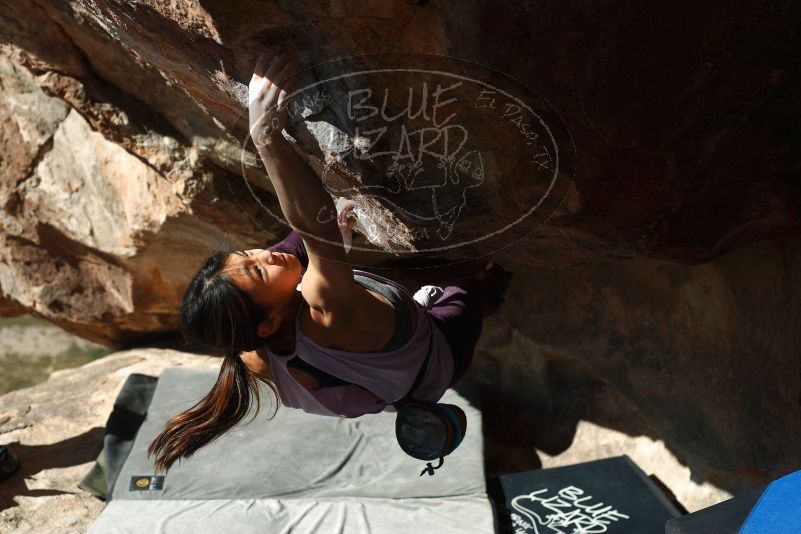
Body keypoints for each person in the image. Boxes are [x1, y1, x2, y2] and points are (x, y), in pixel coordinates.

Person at [148, 46, 511, 473]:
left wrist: (320, 238)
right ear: (268, 322)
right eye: (256, 267)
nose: (264, 253)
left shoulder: (250, 348)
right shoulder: (324, 311)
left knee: (331, 255)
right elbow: (316, 231)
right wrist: (265, 134)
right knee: (469, 291)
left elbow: (306, 235)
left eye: (247, 254)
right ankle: (494, 283)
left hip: (378, 361)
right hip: (437, 357)